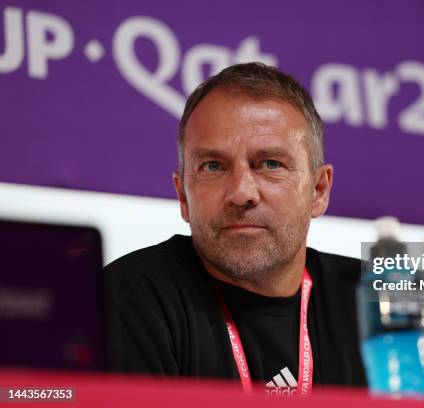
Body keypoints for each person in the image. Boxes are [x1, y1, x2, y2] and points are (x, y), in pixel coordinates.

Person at [105, 62, 367, 394]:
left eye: (271, 164)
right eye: (213, 166)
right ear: (183, 196)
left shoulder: (382, 286)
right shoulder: (126, 293)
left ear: (318, 190)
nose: (241, 192)